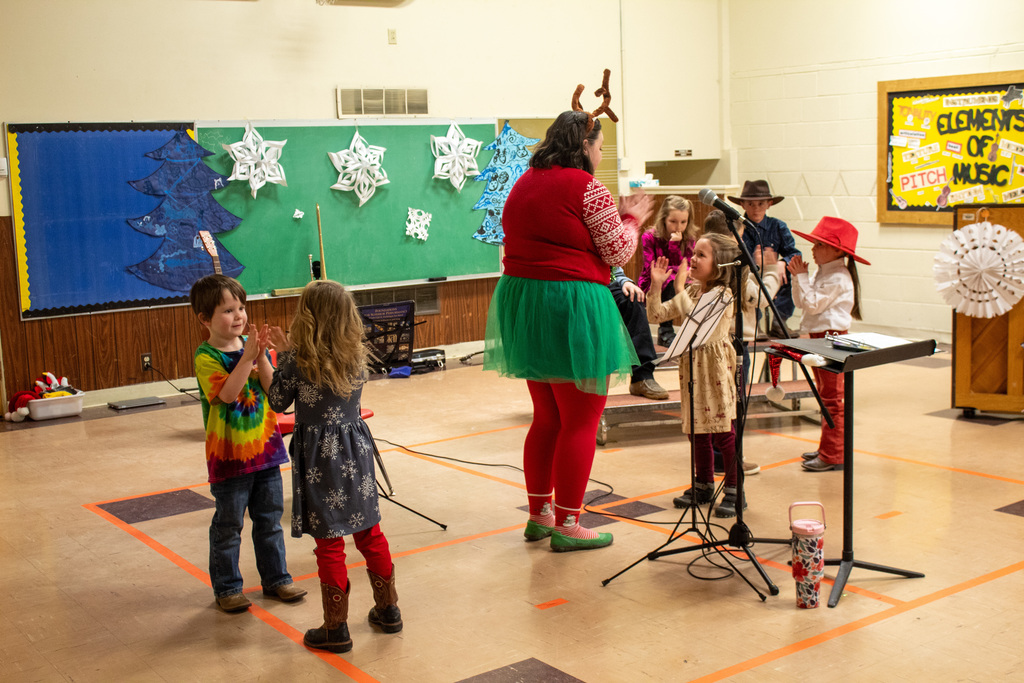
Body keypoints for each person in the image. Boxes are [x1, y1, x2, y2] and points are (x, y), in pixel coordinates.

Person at [484, 99, 654, 552]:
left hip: (527, 303)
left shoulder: (525, 182)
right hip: (572, 303)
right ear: (585, 145)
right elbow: (618, 251)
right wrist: (633, 218)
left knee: (547, 419)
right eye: (600, 147)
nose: (602, 156)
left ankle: (539, 516)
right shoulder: (587, 187)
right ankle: (570, 524)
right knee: (581, 420)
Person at [267, 280, 402, 653]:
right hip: (355, 447)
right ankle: (388, 610)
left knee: (329, 542)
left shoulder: (297, 360)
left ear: (307, 318)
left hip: (318, 458)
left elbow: (278, 402)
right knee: (369, 532)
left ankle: (335, 629)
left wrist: (279, 355)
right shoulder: (357, 355)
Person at [188, 274, 306, 613]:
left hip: (266, 452)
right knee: (228, 526)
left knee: (269, 521)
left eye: (241, 307)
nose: (238, 316)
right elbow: (226, 394)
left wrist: (264, 359)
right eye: (227, 310)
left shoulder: (252, 350)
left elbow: (272, 390)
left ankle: (277, 579)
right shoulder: (206, 356)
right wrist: (247, 358)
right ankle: (227, 588)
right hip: (229, 458)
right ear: (204, 319)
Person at [646, 234, 747, 518]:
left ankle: (734, 490)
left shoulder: (723, 295)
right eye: (695, 252)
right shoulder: (691, 292)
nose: (693, 258)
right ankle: (703, 483)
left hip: (714, 368)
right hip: (691, 368)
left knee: (723, 432)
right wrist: (656, 286)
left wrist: (679, 286)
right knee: (696, 430)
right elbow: (656, 315)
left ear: (720, 265)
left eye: (702, 255)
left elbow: (700, 323)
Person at [787, 217, 869, 472]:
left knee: (832, 399)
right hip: (820, 338)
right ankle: (828, 446)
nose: (813, 248)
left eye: (819, 244)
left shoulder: (839, 277)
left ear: (837, 250)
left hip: (832, 338)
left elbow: (812, 304)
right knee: (825, 397)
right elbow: (801, 303)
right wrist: (797, 278)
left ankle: (834, 454)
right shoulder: (825, 271)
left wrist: (801, 276)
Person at [728, 180, 801, 338]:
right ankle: (753, 323)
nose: (756, 209)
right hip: (749, 275)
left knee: (790, 273)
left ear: (769, 204)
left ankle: (779, 320)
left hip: (773, 273)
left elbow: (795, 253)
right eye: (751, 204)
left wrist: (782, 262)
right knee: (743, 280)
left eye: (761, 204)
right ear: (743, 204)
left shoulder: (778, 226)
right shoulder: (737, 227)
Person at [638, 195, 699, 347]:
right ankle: (665, 332)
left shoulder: (689, 238)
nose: (678, 227)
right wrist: (673, 247)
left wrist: (676, 250)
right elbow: (651, 266)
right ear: (664, 219)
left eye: (683, 222)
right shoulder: (650, 237)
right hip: (653, 280)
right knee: (671, 281)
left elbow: (687, 265)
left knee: (691, 285)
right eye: (673, 221)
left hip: (679, 278)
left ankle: (691, 329)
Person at [610, 266, 669, 400]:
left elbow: (612, 265)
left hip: (603, 280)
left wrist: (624, 281)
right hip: (569, 279)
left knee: (632, 297)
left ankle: (642, 377)